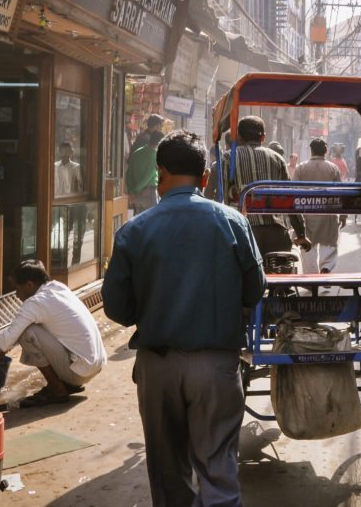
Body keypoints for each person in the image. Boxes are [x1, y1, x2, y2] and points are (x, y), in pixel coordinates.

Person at [103, 131, 266, 507]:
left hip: (157, 366)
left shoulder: (133, 231)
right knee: (218, 467)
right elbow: (255, 290)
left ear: (160, 175)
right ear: (205, 178)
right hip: (217, 366)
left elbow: (117, 309)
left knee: (167, 470)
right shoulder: (233, 222)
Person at [0, 260, 106, 407]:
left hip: (79, 372)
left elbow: (7, 340)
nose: (16, 294)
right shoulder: (58, 287)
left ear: (29, 285)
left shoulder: (35, 302)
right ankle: (65, 383)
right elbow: (11, 338)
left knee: (28, 333)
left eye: (17, 288)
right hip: (94, 366)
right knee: (28, 330)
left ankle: (57, 389)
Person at [229, 116, 311, 257]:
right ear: (263, 138)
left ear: (239, 137)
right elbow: (289, 198)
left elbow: (221, 197)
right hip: (277, 234)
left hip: (240, 233)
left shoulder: (228, 158)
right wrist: (301, 234)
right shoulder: (277, 159)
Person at [293, 138, 347, 274]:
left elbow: (293, 192)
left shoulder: (301, 167)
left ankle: (311, 278)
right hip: (328, 213)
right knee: (328, 245)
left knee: (308, 249)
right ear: (325, 151)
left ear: (311, 151)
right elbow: (341, 193)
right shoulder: (333, 168)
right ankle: (326, 267)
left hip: (307, 214)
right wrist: (343, 215)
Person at [126, 130, 163, 215]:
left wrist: (132, 192)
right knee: (152, 223)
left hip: (136, 196)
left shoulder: (137, 152)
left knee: (140, 222)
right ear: (159, 143)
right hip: (149, 193)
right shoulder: (155, 155)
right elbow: (148, 176)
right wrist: (136, 190)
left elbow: (129, 174)